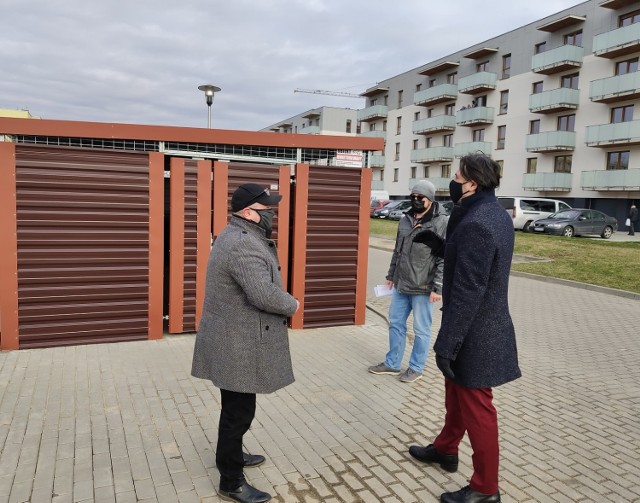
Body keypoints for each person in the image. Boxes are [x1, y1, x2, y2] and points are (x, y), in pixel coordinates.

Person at [408, 154, 521, 503]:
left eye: (456, 176)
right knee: (455, 395)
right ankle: (445, 449)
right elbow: (477, 260)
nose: (452, 181)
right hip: (475, 324)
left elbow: (471, 289)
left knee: (477, 407)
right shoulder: (489, 213)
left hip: (476, 330)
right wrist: (441, 245)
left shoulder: (478, 222)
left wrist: (448, 343)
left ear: (471, 183)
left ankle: (486, 488)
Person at [191, 183, 299, 503]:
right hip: (236, 343)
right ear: (250, 212)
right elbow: (263, 294)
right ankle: (231, 481)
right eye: (268, 210)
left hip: (233, 338)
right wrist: (292, 304)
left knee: (236, 408)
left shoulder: (235, 234)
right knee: (238, 413)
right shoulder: (242, 244)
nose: (272, 214)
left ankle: (232, 457)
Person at [368, 180, 448, 383]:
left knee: (421, 330)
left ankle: (416, 368)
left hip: (424, 287)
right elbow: (398, 250)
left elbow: (444, 257)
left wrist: (437, 287)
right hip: (401, 284)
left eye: (420, 198)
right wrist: (390, 275)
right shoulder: (405, 219)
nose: (416, 201)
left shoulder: (440, 222)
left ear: (429, 199)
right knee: (395, 324)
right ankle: (392, 364)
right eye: (413, 197)